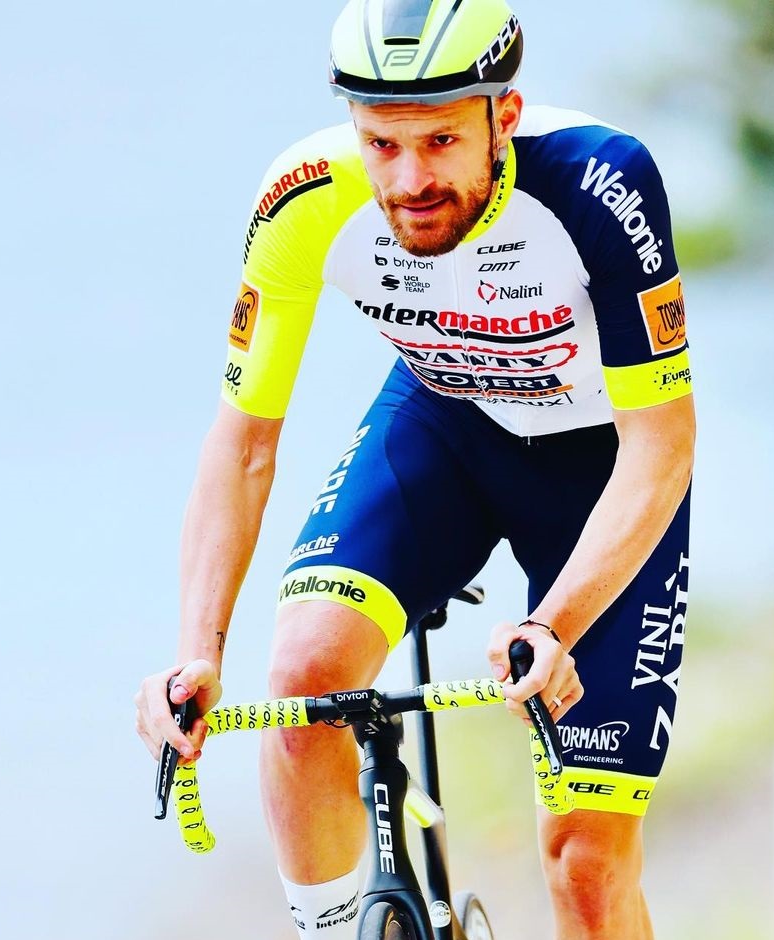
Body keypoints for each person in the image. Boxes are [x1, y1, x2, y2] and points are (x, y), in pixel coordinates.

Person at [135, 0, 694, 936]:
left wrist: (554, 624)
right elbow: (243, 443)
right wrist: (198, 653)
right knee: (305, 682)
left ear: (503, 115)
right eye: (381, 145)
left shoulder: (602, 183)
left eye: (439, 141)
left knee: (586, 863)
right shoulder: (304, 196)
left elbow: (663, 442)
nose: (409, 180)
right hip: (444, 425)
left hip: (602, 470)